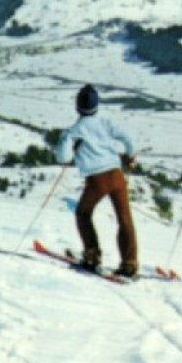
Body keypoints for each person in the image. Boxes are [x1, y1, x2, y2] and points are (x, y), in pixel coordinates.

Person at [55, 84, 139, 277]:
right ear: (96, 106)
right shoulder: (105, 123)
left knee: (83, 213)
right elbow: (128, 140)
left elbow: (63, 157)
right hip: (116, 174)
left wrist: (70, 147)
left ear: (77, 106)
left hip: (97, 179)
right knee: (124, 218)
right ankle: (129, 263)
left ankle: (92, 256)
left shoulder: (75, 130)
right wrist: (130, 155)